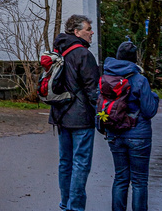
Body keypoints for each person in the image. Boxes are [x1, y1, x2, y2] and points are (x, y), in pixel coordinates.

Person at [49, 14, 99, 211]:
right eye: (88, 29)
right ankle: (76, 207)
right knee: (80, 164)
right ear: (77, 32)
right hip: (81, 118)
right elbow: (93, 91)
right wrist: (104, 116)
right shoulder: (84, 55)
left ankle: (65, 203)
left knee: (65, 163)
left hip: (61, 115)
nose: (91, 32)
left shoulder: (58, 51)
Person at [101, 40, 159, 211]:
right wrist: (154, 97)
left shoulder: (106, 78)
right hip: (138, 135)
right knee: (139, 181)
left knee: (120, 178)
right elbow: (149, 111)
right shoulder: (140, 80)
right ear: (134, 59)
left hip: (114, 134)